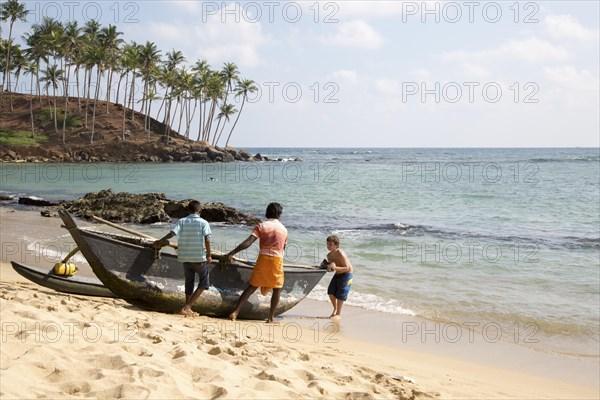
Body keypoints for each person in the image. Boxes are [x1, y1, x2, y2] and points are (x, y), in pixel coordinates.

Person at [225, 202, 288, 323]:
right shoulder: (284, 230)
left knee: (252, 286)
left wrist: (231, 253)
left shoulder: (261, 226)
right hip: (277, 261)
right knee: (277, 289)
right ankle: (270, 318)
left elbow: (248, 242)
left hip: (263, 258)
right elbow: (282, 250)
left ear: (266, 213)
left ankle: (235, 312)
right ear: (279, 215)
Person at [154, 200, 212, 317]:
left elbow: (172, 234)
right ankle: (187, 307)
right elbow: (207, 240)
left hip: (184, 256)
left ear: (187, 210)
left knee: (189, 282)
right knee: (204, 282)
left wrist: (160, 241)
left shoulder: (182, 221)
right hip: (198, 257)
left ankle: (187, 309)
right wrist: (209, 255)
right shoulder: (204, 223)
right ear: (200, 210)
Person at [322, 235, 353, 318]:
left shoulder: (341, 254)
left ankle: (338, 313)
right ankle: (335, 308)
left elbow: (347, 268)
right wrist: (327, 266)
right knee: (330, 291)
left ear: (336, 245)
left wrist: (335, 267)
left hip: (347, 275)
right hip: (338, 274)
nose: (328, 246)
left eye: (330, 244)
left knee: (340, 295)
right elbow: (332, 269)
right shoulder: (329, 256)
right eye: (327, 244)